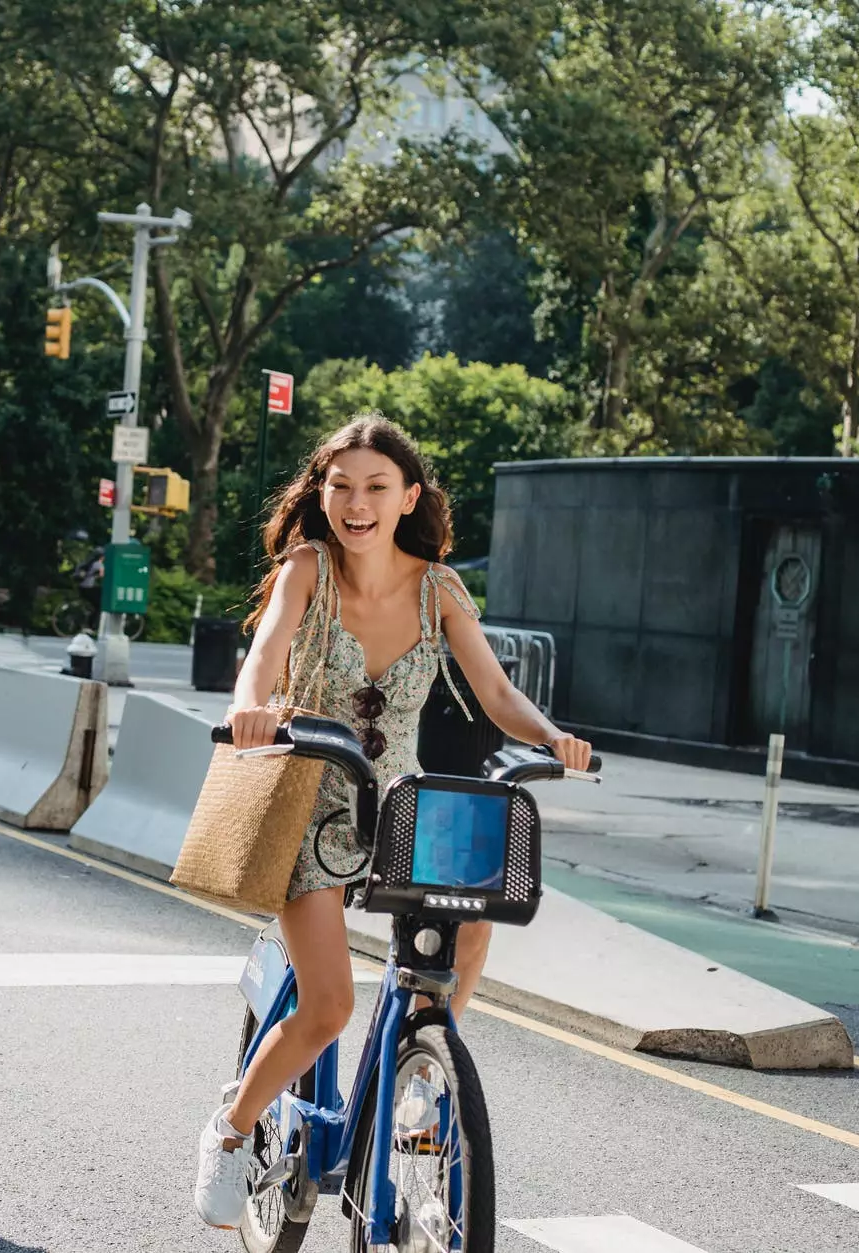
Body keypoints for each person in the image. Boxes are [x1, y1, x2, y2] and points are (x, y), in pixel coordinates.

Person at [192, 415, 592, 1229]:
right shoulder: (309, 567)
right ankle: (230, 1130)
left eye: (376, 487)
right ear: (323, 493)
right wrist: (251, 710)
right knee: (330, 1005)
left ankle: (421, 1067)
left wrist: (550, 735)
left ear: (409, 497)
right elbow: (264, 655)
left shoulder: (440, 588)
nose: (356, 503)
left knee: (471, 927)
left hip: (400, 806)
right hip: (310, 793)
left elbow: (496, 694)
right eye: (340, 485)